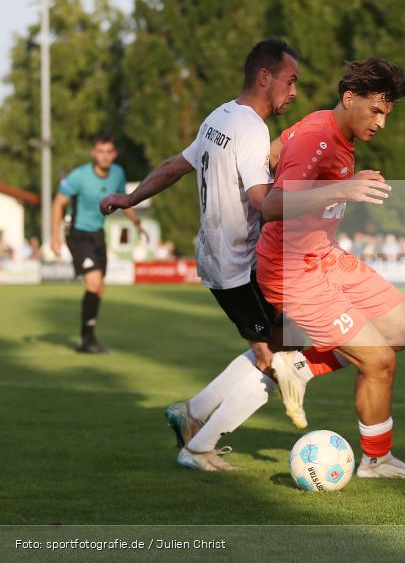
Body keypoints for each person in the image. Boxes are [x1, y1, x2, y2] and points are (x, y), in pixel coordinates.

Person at [100, 38, 306, 472]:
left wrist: (131, 197)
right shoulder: (251, 128)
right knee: (278, 361)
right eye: (290, 82)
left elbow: (176, 165)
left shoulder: (220, 116)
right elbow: (260, 200)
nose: (294, 92)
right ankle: (198, 446)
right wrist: (317, 197)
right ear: (264, 77)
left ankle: (191, 414)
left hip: (218, 261)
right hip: (237, 266)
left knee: (284, 342)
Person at [256, 57, 405, 479]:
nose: (381, 123)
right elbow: (270, 206)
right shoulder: (319, 137)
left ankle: (301, 365)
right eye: (376, 110)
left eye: (386, 113)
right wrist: (343, 188)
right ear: (349, 98)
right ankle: (376, 460)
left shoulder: (324, 129)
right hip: (293, 270)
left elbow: (273, 152)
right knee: (379, 360)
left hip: (323, 256)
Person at [51, 134, 146, 353]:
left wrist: (137, 223)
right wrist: (55, 238)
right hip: (77, 234)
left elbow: (125, 200)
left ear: (114, 154)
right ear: (94, 153)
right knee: (94, 283)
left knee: (99, 288)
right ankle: (87, 340)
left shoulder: (118, 174)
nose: (104, 156)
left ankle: (87, 338)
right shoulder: (78, 176)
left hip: (97, 235)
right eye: (100, 151)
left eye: (109, 151)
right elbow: (58, 204)